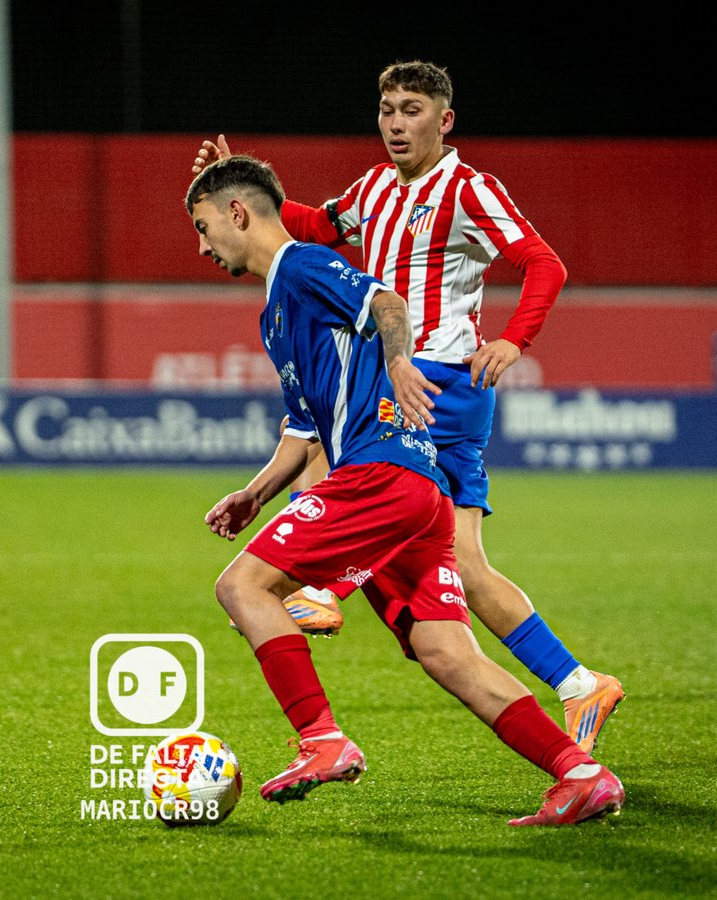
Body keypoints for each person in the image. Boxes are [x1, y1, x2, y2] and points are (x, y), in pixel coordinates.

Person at [193, 60, 622, 752]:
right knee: (461, 562)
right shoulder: (373, 189)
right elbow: (306, 225)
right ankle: (576, 684)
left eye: (412, 109)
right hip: (406, 373)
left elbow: (544, 263)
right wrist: (234, 185)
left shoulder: (470, 189)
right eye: (387, 108)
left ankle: (321, 589)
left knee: (337, 443)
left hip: (436, 380)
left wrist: (515, 340)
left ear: (444, 120)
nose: (396, 122)